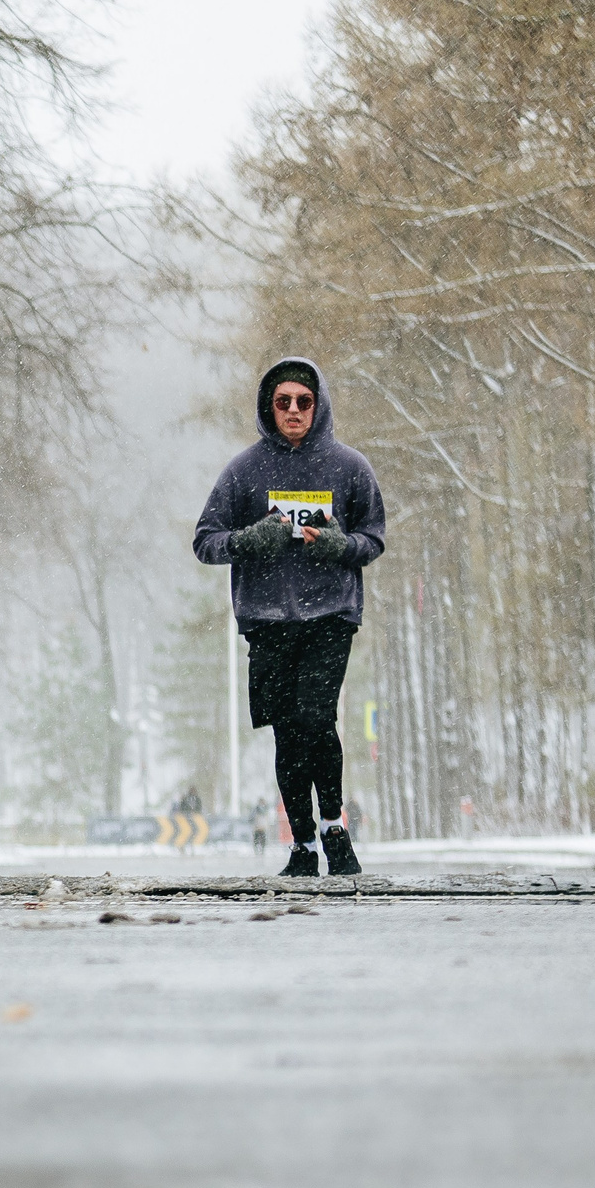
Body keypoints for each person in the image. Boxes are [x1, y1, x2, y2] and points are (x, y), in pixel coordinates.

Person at [193, 356, 387, 877]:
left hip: (331, 615)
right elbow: (205, 541)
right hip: (269, 618)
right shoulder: (243, 471)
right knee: (286, 731)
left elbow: (373, 539)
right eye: (284, 402)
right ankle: (302, 844)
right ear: (268, 407)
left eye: (304, 401)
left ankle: (334, 828)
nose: (295, 411)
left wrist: (339, 546)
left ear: (319, 405)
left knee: (315, 717)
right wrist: (249, 541)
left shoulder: (350, 467)